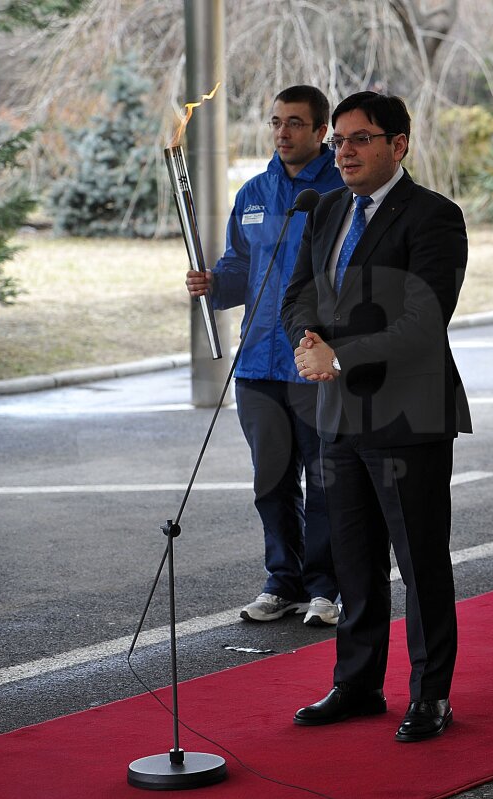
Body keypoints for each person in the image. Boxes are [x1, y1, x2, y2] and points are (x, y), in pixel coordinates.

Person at [281, 91, 470, 742]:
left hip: (408, 417)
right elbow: (300, 294)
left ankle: (431, 695)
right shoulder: (326, 208)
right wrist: (308, 343)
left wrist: (341, 355)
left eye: (360, 139)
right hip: (337, 415)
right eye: (338, 140)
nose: (344, 151)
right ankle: (357, 683)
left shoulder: (434, 217)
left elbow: (423, 321)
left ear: (399, 144)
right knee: (355, 562)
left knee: (421, 563)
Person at [186, 85, 344, 626]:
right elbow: (240, 266)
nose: (283, 132)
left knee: (324, 480)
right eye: (276, 122)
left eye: (296, 123)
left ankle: (326, 587)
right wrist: (213, 282)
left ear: (322, 131)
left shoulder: (341, 192)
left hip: (311, 361)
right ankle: (282, 580)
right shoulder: (253, 192)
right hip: (256, 363)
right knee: (271, 481)